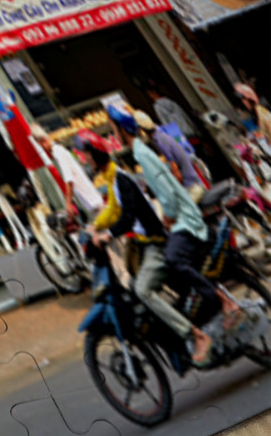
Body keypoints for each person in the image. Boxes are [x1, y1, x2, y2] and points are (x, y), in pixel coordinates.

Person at [107, 104, 241, 349]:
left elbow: (168, 196)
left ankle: (223, 301)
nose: (113, 135)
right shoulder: (142, 152)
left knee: (172, 260)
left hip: (185, 219)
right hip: (182, 216)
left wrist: (167, 218)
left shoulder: (142, 155)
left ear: (121, 131)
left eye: (114, 129)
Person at [80, 128, 217, 366]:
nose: (86, 159)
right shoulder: (112, 179)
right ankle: (172, 317)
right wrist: (94, 226)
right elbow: (113, 209)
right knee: (132, 285)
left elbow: (128, 216)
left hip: (154, 244)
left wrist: (107, 235)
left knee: (143, 290)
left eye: (88, 155)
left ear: (96, 155)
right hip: (142, 246)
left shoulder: (121, 179)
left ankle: (193, 333)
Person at [135, 110, 205, 202]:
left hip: (191, 187)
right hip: (193, 182)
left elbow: (176, 171)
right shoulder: (161, 136)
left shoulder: (160, 141)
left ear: (142, 131)